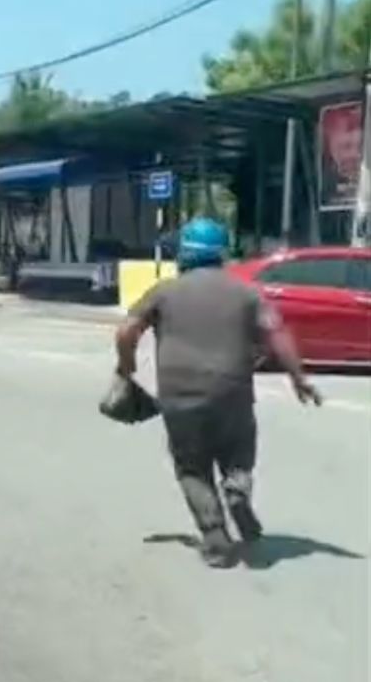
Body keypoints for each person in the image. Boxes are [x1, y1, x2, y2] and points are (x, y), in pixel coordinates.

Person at [114, 215, 320, 566]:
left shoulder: (164, 291)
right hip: (232, 391)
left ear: (184, 254)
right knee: (238, 452)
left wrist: (126, 366)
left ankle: (216, 539)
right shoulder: (246, 292)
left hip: (178, 395)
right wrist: (298, 378)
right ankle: (237, 486)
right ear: (222, 254)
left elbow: (126, 331)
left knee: (191, 468)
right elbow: (277, 333)